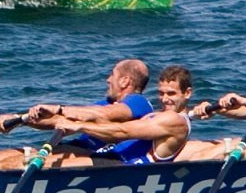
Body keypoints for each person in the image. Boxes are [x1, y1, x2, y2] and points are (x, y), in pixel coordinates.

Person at [0, 57, 157, 168]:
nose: (108, 79)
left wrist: (59, 108)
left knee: (8, 166)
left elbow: (105, 115)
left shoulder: (138, 102)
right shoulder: (106, 103)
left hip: (99, 158)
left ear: (125, 80)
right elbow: (56, 121)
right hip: (71, 149)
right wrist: (19, 120)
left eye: (112, 75)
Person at [52, 64, 195, 165]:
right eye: (161, 93)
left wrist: (80, 126)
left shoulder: (175, 120)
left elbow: (122, 131)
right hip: (111, 156)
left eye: (171, 94)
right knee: (38, 157)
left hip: (124, 168)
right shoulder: (159, 115)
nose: (164, 99)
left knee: (51, 165)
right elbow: (119, 127)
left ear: (187, 93)